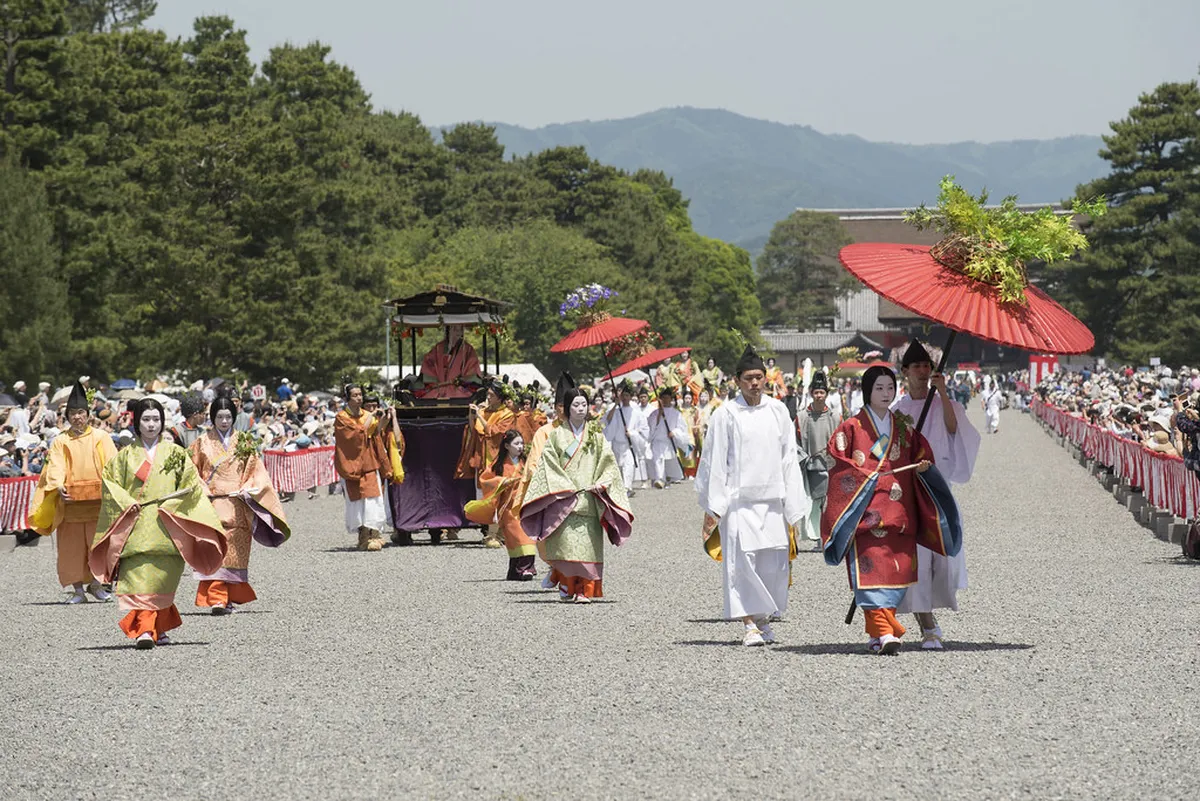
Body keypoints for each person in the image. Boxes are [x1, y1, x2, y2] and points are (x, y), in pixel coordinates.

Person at [820, 365, 961, 655]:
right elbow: (836, 461)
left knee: (895, 575)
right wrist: (862, 477)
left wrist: (923, 464)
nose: (886, 393)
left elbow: (920, 453)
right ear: (867, 392)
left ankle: (879, 634)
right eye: (879, 388)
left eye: (890, 388)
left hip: (898, 512)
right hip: (865, 512)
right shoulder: (851, 427)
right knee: (870, 575)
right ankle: (886, 632)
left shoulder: (903, 428)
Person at [697, 344, 810, 646]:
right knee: (742, 563)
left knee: (772, 564)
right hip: (739, 501)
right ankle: (748, 623)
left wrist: (793, 503)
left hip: (773, 500)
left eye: (759, 377)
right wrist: (715, 505)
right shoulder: (726, 414)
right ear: (737, 380)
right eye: (748, 378)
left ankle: (763, 619)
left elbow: (789, 458)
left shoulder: (778, 411)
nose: (755, 383)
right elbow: (716, 462)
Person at [90, 399, 226, 648]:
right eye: (146, 419)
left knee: (163, 581)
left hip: (167, 526)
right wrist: (126, 502)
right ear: (137, 422)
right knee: (140, 581)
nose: (151, 425)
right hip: (135, 525)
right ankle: (144, 630)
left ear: (162, 422)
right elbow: (110, 484)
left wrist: (173, 503)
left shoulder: (175, 453)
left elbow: (191, 485)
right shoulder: (124, 457)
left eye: (156, 419)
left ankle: (158, 627)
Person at [891, 339, 980, 649]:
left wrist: (942, 392)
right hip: (909, 491)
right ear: (905, 371)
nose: (921, 371)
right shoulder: (897, 410)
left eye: (926, 366)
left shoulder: (946, 404)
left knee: (941, 558)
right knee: (916, 557)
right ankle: (928, 626)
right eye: (915, 366)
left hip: (938, 488)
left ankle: (927, 617)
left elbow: (955, 432)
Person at [520, 388, 633, 602]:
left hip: (589, 497)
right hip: (564, 498)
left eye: (584, 404)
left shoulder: (596, 434)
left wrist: (602, 483)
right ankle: (565, 583)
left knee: (587, 548)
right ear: (567, 408)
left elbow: (608, 462)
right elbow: (548, 463)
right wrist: (562, 486)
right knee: (566, 546)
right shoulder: (557, 435)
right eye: (576, 405)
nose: (581, 409)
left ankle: (584, 590)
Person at [189, 395, 290, 615]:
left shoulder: (244, 441)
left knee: (234, 552)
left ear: (234, 417)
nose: (224, 421)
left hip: (237, 503)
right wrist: (204, 491)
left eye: (228, 417)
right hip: (212, 503)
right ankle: (217, 598)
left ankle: (228, 597)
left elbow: (256, 471)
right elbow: (192, 471)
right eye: (219, 417)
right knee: (215, 549)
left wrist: (248, 488)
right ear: (212, 418)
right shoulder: (201, 442)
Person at [29, 382, 119, 604]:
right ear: (67, 416)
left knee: (98, 546)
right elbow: (56, 465)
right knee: (71, 550)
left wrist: (109, 485)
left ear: (88, 414)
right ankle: (78, 590)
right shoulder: (61, 440)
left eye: (80, 412)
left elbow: (113, 464)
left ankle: (96, 585)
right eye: (72, 413)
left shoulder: (101, 437)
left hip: (98, 504)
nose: (77, 417)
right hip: (71, 504)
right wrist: (58, 485)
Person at [458, 383, 515, 548]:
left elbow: (494, 431)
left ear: (500, 397)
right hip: (484, 459)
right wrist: (472, 416)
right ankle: (491, 533)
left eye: (491, 395)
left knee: (501, 495)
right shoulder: (483, 411)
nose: (488, 397)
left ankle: (497, 534)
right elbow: (474, 431)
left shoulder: (507, 414)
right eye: (488, 394)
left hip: (499, 459)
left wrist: (480, 416)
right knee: (487, 496)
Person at [334, 385, 387, 552]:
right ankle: (363, 535)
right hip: (352, 463)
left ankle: (375, 533)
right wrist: (371, 416)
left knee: (373, 498)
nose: (359, 398)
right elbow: (357, 433)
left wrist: (385, 417)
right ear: (347, 398)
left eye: (360, 395)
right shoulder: (342, 417)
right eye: (355, 395)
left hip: (368, 461)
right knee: (357, 501)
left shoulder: (365, 414)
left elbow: (375, 431)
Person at [478, 430, 537, 580]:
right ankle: (519, 569)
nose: (520, 446)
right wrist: (503, 481)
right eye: (516, 443)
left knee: (527, 536)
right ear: (506, 446)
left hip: (525, 505)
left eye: (522, 443)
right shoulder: (498, 465)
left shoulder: (526, 462)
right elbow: (485, 480)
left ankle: (523, 569)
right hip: (509, 508)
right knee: (516, 537)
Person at [796, 371, 837, 547]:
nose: (819, 395)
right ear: (811, 393)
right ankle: (817, 537)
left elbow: (841, 441)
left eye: (822, 392)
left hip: (830, 466)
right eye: (816, 392)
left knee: (829, 503)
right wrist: (803, 458)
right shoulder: (802, 416)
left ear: (826, 394)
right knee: (813, 502)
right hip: (810, 465)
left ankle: (828, 538)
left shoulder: (835, 416)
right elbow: (795, 442)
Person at [603, 379, 649, 496]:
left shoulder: (636, 412)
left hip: (628, 444)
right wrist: (616, 404)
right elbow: (607, 420)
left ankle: (628, 487)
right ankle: (618, 488)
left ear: (630, 397)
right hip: (616, 443)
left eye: (627, 395)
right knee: (617, 466)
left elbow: (642, 428)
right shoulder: (616, 411)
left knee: (629, 464)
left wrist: (632, 433)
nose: (625, 398)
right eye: (623, 396)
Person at [416, 325, 482, 399]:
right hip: (437, 390)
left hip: (460, 392)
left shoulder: (467, 349)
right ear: (448, 330)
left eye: (460, 330)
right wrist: (437, 384)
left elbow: (472, 370)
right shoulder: (438, 348)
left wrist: (460, 382)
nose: (458, 332)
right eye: (455, 329)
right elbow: (428, 366)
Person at [646, 387, 689, 488]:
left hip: (669, 441)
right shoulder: (655, 413)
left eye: (667, 398)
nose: (665, 400)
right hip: (657, 441)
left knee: (669, 460)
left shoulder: (676, 413)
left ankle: (668, 478)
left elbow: (682, 428)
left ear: (671, 399)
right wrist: (659, 414)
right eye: (663, 398)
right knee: (658, 460)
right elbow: (651, 426)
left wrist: (674, 433)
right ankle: (660, 479)